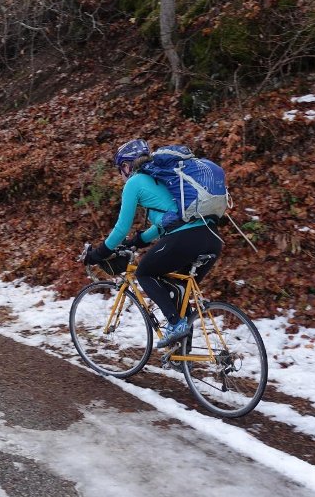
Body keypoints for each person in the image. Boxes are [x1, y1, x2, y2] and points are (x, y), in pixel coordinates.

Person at [83, 138, 223, 349]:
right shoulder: (165, 180)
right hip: (211, 237)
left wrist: (99, 253)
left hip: (185, 238)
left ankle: (175, 325)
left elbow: (121, 228)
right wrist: (137, 242)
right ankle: (183, 353)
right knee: (180, 288)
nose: (121, 175)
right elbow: (164, 223)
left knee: (144, 273)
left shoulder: (135, 182)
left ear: (126, 166)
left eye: (120, 169)